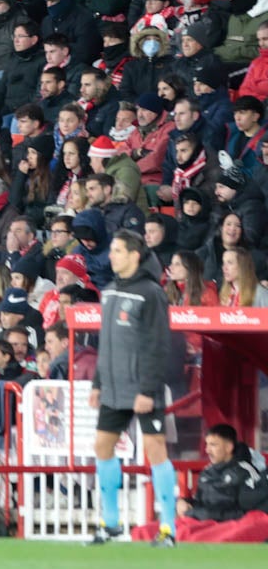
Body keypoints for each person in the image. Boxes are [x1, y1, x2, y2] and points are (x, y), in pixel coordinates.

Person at [89, 230, 178, 546]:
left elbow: (158, 345)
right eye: (111, 250)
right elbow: (107, 343)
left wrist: (148, 389)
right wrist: (98, 383)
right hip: (114, 388)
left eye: (117, 250)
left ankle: (168, 529)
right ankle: (110, 524)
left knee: (155, 451)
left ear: (134, 255)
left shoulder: (151, 293)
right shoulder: (110, 290)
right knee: (102, 446)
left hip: (143, 388)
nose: (110, 255)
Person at [177, 424, 267, 523]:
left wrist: (203, 515)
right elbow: (199, 503)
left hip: (229, 531)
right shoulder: (206, 473)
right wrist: (184, 502)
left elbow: (247, 513)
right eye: (207, 444)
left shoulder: (245, 472)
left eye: (213, 445)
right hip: (201, 525)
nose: (207, 450)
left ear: (229, 447)